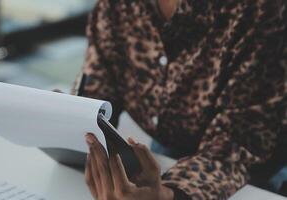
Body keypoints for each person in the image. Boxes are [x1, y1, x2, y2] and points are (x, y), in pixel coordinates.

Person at [77, 0, 287, 199]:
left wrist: (167, 194)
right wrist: (68, 116)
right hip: (170, 152)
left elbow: (237, 146)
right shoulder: (117, 6)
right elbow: (96, 89)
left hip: (258, 166)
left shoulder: (262, 9)